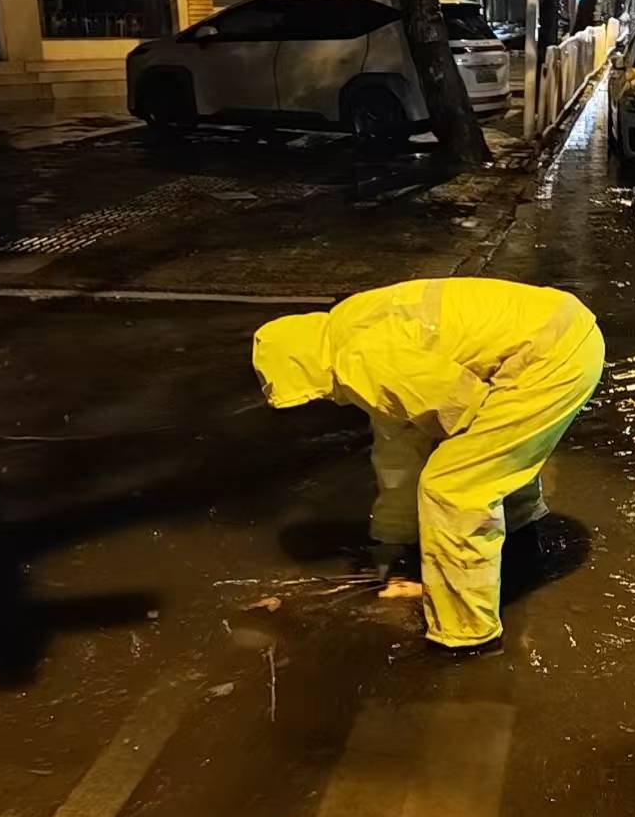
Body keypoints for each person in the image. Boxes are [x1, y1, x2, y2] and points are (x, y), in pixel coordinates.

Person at [253, 278, 604, 651]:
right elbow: (398, 450)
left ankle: (467, 635)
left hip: (549, 359)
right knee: (486, 456)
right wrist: (393, 545)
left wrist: (416, 556)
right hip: (558, 334)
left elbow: (458, 411)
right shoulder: (349, 328)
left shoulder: (358, 359)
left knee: (453, 487)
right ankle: (521, 535)